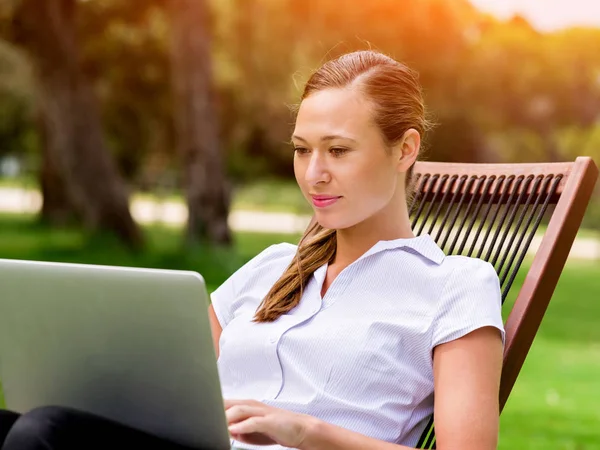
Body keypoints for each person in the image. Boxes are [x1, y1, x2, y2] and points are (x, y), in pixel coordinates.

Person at [0, 50, 504, 450]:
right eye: (302, 150)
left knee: (45, 432)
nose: (314, 173)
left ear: (406, 149)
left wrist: (304, 432)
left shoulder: (455, 285)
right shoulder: (271, 267)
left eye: (338, 150)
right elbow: (167, 380)